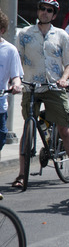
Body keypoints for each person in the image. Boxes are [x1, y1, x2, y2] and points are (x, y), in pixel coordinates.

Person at [13, 0, 69, 204]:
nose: (44, 12)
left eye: (49, 10)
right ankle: (21, 174)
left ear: (54, 14)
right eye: (42, 8)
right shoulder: (25, 34)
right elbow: (17, 59)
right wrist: (16, 81)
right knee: (28, 129)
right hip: (31, 86)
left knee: (65, 130)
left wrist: (63, 79)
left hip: (54, 86)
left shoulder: (61, 35)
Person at [0, 9, 24, 154]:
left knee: (2, 136)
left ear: (2, 30)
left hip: (1, 104)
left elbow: (16, 75)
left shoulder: (10, 50)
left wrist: (16, 85)